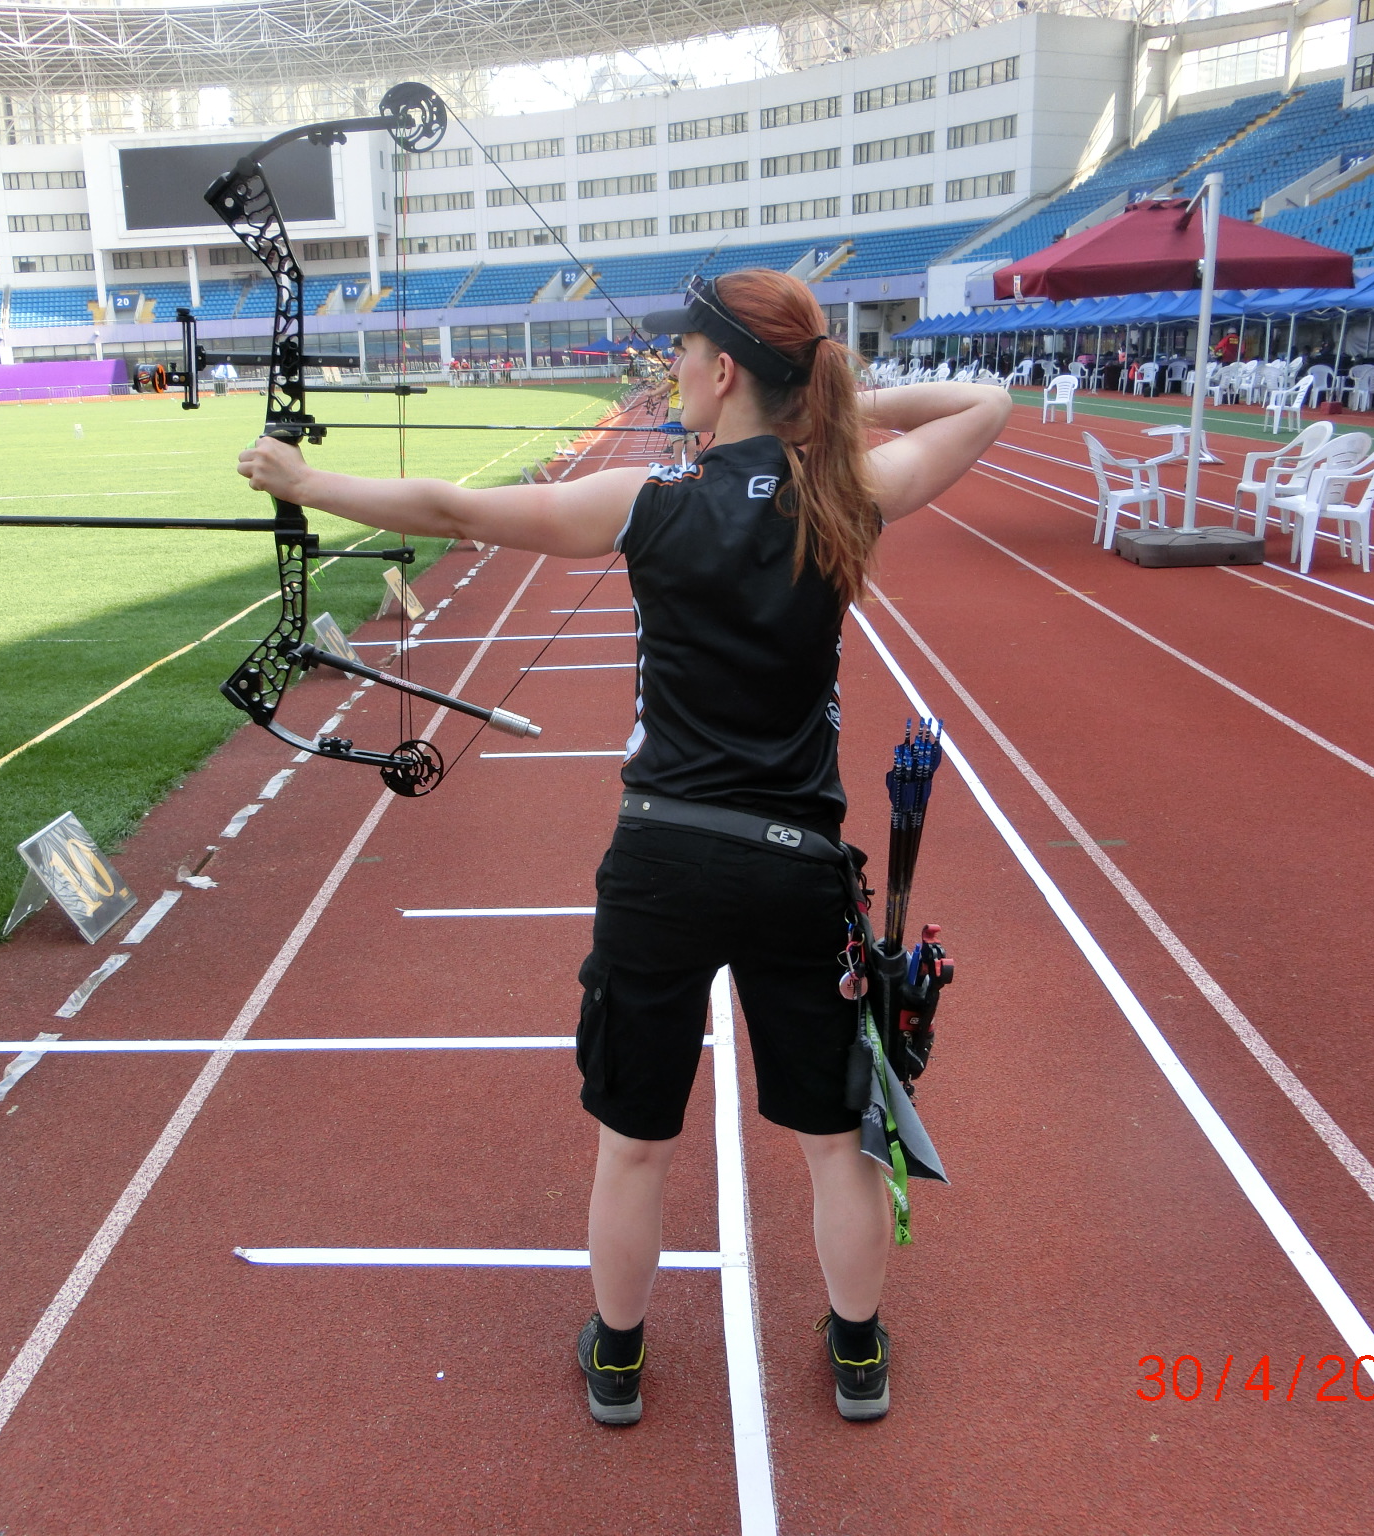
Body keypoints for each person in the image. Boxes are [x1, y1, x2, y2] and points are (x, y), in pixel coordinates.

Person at [238, 268, 1010, 1427]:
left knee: (634, 1146)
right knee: (833, 1144)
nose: (671, 371)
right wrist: (832, 409)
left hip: (662, 861)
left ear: (725, 371)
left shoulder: (645, 502)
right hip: (796, 864)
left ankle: (617, 1359)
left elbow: (451, 511)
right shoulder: (844, 492)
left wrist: (304, 483)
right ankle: (856, 1355)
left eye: (684, 355)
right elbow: (982, 407)